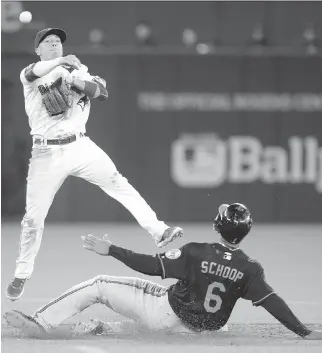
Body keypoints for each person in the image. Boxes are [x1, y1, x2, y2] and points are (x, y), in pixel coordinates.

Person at [6, 27, 183, 302]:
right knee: (33, 219)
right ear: (38, 50)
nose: (54, 45)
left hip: (80, 146)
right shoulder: (32, 72)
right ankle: (22, 273)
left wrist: (81, 84)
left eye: (58, 42)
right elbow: (31, 74)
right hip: (46, 153)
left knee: (119, 184)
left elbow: (102, 92)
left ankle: (160, 231)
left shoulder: (76, 70)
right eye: (48, 42)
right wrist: (61, 66)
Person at [4, 203, 322, 340]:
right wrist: (303, 332)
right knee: (158, 324)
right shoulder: (249, 268)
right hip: (210, 333)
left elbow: (152, 266)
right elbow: (273, 301)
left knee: (100, 284)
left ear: (220, 224)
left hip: (167, 315)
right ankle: (102, 329)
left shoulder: (198, 251)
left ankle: (42, 323)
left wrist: (111, 250)